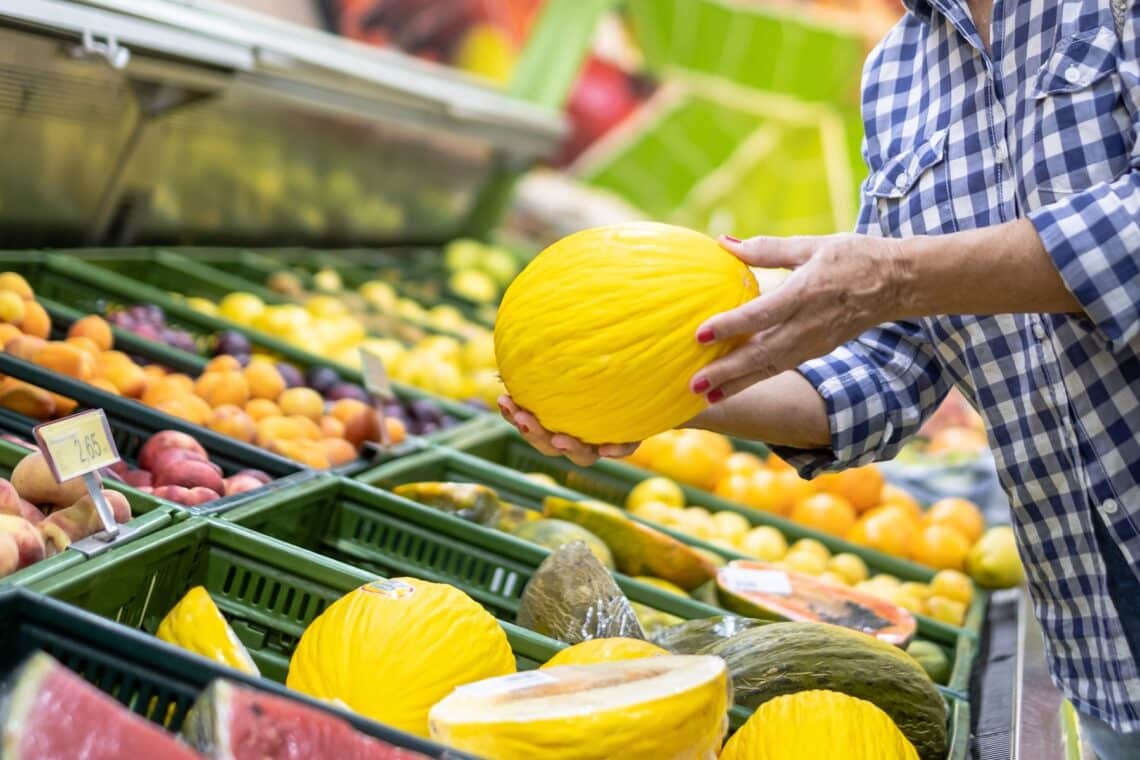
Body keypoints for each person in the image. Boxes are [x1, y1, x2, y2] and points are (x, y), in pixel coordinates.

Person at [499, 1, 1140, 756]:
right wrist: (656, 389)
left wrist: (897, 276)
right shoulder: (900, 72)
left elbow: (909, 284)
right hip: (1100, 646)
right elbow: (889, 370)